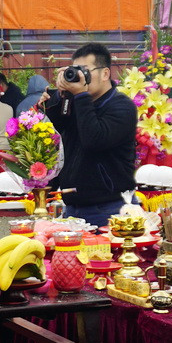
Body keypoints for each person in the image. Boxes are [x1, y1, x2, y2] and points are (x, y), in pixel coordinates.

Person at [43, 42, 137, 226]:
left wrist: (80, 96)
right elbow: (57, 129)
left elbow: (94, 140)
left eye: (85, 70)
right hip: (73, 207)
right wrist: (59, 96)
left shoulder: (122, 106)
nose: (80, 76)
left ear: (105, 73)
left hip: (109, 208)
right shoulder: (77, 100)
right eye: (76, 70)